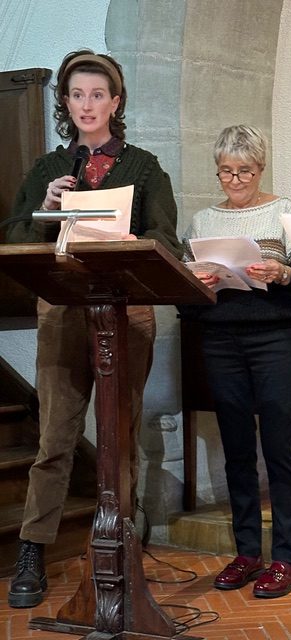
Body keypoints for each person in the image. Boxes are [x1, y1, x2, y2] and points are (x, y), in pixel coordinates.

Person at [6, 49, 182, 608]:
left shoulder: (144, 167)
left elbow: (168, 241)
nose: (87, 104)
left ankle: (122, 543)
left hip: (125, 312)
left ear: (115, 101)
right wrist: (45, 208)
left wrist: (134, 242)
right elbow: (15, 235)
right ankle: (33, 550)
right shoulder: (47, 168)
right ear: (65, 101)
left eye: (98, 94)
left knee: (118, 435)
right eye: (77, 94)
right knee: (55, 438)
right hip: (62, 311)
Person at [180, 124, 291, 598]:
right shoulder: (202, 222)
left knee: (279, 447)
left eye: (245, 171)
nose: (235, 181)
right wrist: (200, 286)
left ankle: (287, 559)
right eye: (226, 172)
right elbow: (183, 299)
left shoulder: (285, 213)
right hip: (221, 341)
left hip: (275, 338)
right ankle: (247, 553)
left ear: (261, 168)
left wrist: (283, 273)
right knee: (236, 448)